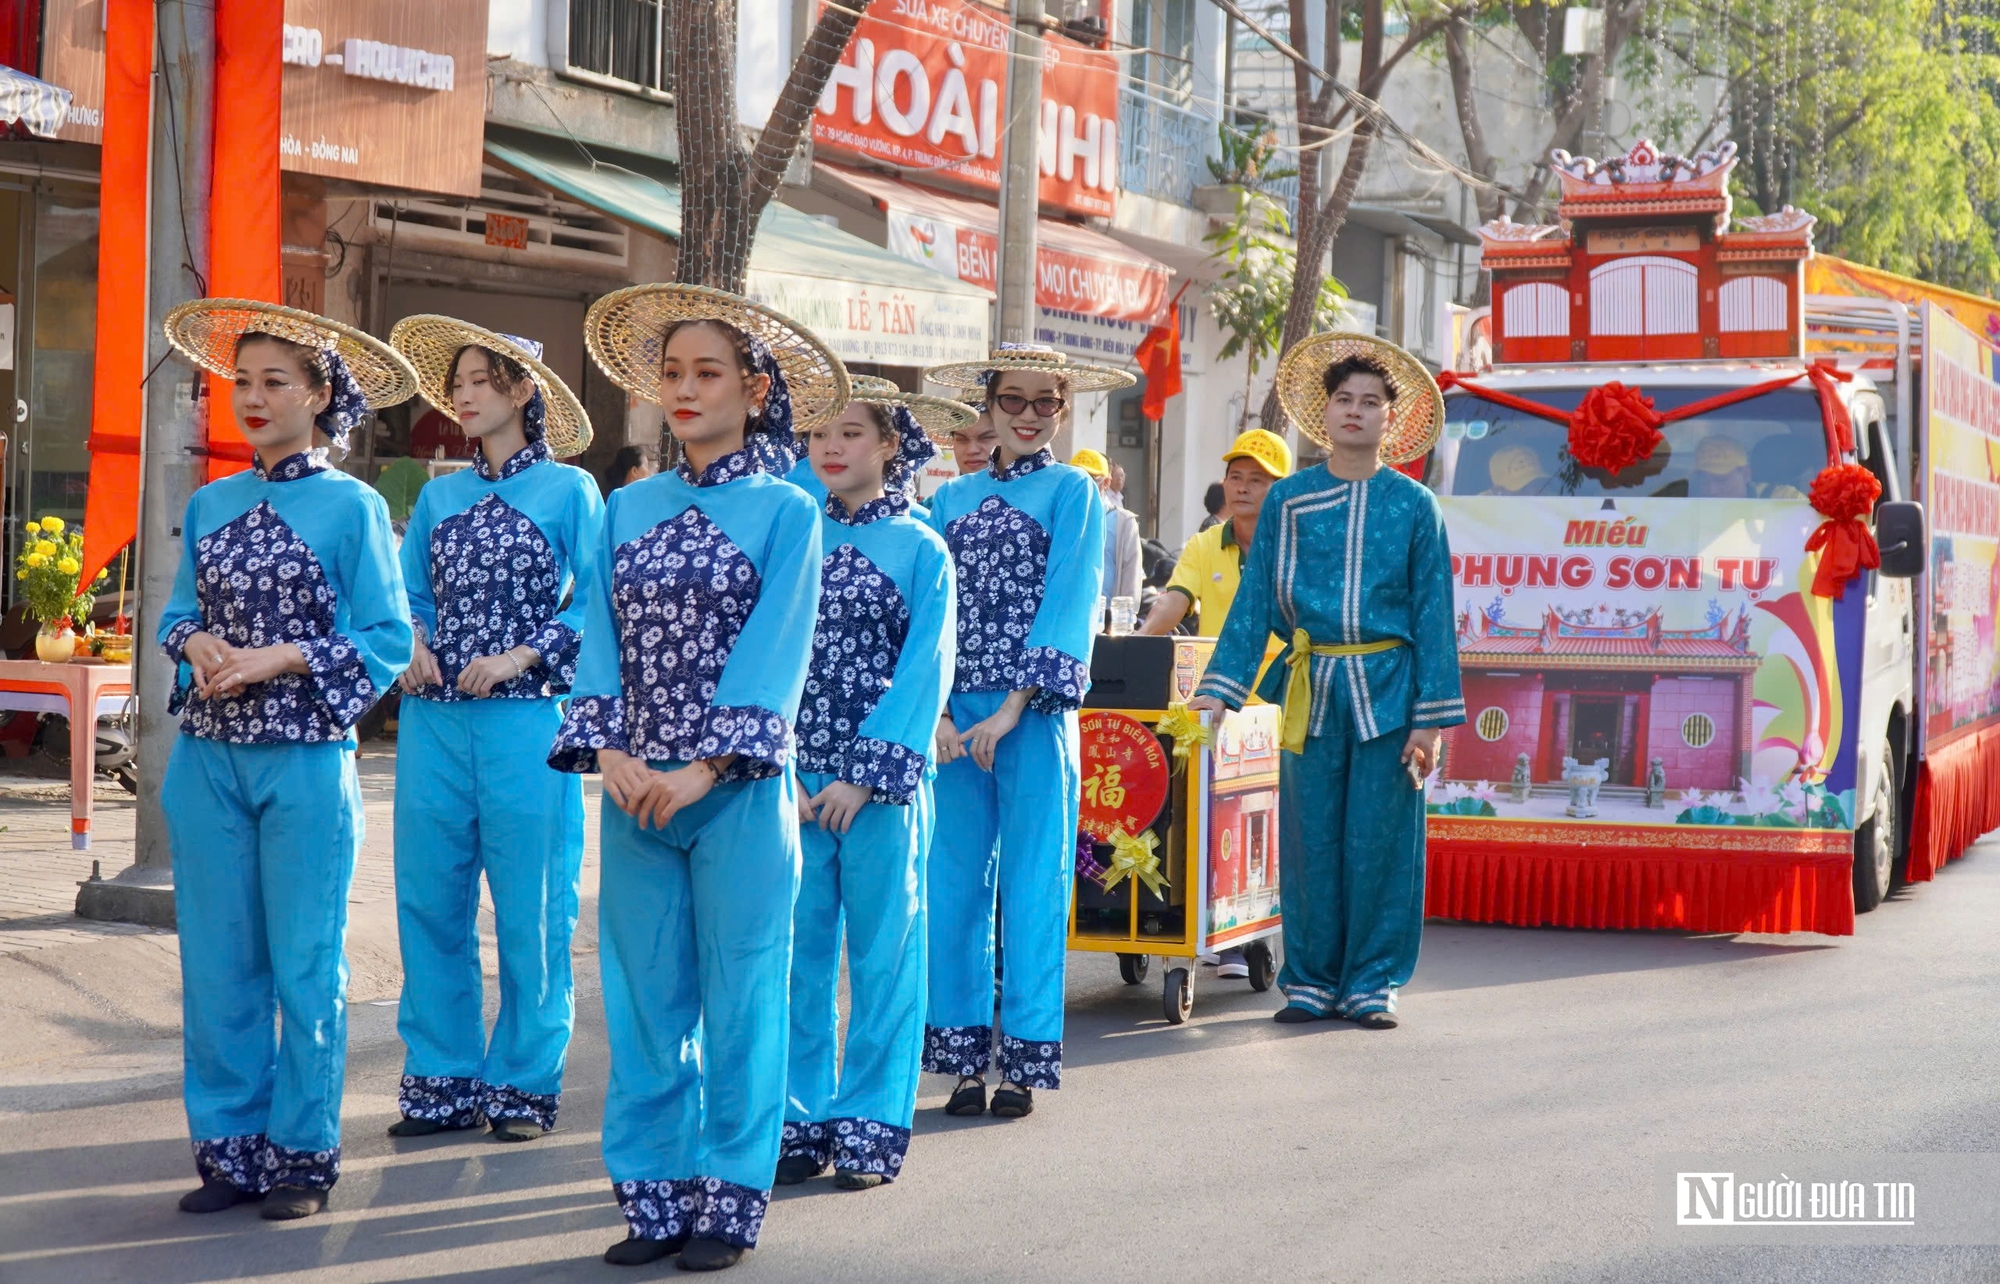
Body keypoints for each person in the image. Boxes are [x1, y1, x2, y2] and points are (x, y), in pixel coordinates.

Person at [552, 285, 835, 1270]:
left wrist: (701, 769)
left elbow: (777, 649)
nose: (683, 388)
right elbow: (596, 637)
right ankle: (651, 1198)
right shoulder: (625, 505)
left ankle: (726, 1202)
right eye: (671, 373)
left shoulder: (789, 512)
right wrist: (617, 755)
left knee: (743, 998)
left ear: (754, 390)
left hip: (739, 799)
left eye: (706, 372)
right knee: (639, 1003)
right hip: (634, 793)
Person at [156, 298, 418, 1218]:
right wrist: (194, 646)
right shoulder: (210, 501)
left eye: (276, 382)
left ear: (320, 395)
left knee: (306, 962)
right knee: (218, 963)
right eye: (243, 382)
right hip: (207, 761)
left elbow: (388, 636)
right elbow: (175, 609)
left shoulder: (352, 506)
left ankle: (303, 1153)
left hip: (306, 758)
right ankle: (229, 1150)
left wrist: (282, 655)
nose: (254, 398)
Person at [1188, 334, 1463, 1030]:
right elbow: (1255, 603)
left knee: (1380, 836)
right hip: (1309, 685)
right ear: (1325, 411)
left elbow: (1434, 615)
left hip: (1391, 690)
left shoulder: (1415, 506)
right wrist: (1218, 691)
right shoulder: (1290, 501)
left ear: (1389, 421)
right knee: (1309, 838)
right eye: (1344, 398)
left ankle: (1373, 979)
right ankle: (1308, 979)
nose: (1356, 411)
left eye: (1371, 402)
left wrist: (1430, 722)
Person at [382, 317, 602, 1144]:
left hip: (526, 724)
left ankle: (521, 1081)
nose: (464, 396)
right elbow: (406, 594)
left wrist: (518, 657)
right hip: (435, 722)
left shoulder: (572, 491)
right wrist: (411, 642)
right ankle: (440, 1075)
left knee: (532, 907)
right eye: (458, 384)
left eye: (479, 381)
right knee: (428, 900)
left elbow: (593, 607)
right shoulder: (439, 495)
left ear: (520, 391)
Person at [919, 343, 1129, 1119]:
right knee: (953, 887)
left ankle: (1027, 1060)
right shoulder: (948, 501)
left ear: (1064, 408)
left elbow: (1072, 595)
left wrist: (1013, 707)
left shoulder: (1075, 489)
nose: (1031, 415)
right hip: (953, 719)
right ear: (990, 405)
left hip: (1033, 715)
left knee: (1032, 885)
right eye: (1016, 400)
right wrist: (940, 713)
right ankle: (963, 1060)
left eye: (1048, 402)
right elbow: (929, 613)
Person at [777, 383, 963, 1192]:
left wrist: (863, 774)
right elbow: (763, 655)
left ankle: (871, 1124)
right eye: (820, 430)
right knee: (797, 957)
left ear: (892, 447)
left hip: (877, 788)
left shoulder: (922, 549)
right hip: (787, 779)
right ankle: (796, 1117)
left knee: (885, 953)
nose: (831, 445)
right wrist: (775, 765)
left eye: (851, 432)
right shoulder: (791, 533)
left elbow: (926, 670)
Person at [1138, 427, 1291, 979]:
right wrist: (1128, 652)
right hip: (1219, 705)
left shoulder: (1296, 545)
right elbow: (1172, 606)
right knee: (1211, 815)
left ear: (1281, 489)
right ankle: (1222, 932)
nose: (1243, 488)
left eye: (1258, 479)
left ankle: (1263, 929)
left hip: (1283, 701)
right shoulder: (1207, 544)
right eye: (1235, 477)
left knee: (1274, 822)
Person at [1072, 447, 1142, 603]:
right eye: (1076, 479)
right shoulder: (1061, 516)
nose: (1083, 485)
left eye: (1091, 479)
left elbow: (1131, 575)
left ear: (1106, 483)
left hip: (1106, 616)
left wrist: (1122, 619)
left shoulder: (1124, 522)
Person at [947, 396, 1000, 475]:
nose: (972, 450)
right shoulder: (948, 487)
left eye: (986, 438)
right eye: (962, 439)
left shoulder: (1024, 486)